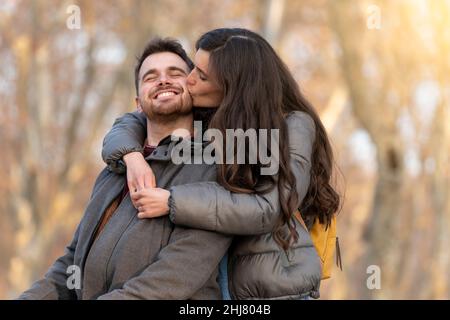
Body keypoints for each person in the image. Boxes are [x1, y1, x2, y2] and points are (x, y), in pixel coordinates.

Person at [102, 28, 340, 300]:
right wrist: (131, 156)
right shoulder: (216, 114)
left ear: (232, 85)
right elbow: (132, 119)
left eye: (201, 76)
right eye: (193, 69)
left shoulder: (293, 125)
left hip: (272, 291)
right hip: (218, 281)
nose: (189, 81)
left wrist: (172, 201)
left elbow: (269, 208)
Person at [18, 38, 233, 300]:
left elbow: (173, 279)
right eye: (150, 77)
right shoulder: (113, 172)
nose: (163, 81)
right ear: (138, 103)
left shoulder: (214, 167)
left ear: (193, 89)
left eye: (175, 74)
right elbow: (71, 264)